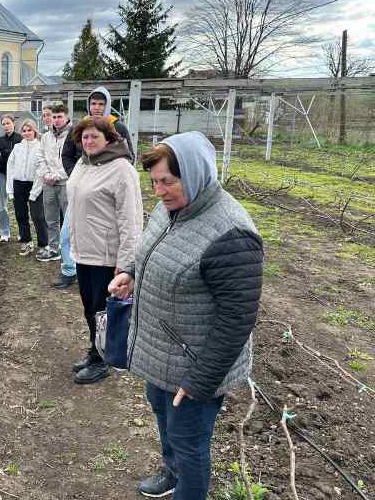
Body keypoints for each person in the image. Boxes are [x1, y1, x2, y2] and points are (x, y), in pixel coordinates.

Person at [108, 132, 263, 499]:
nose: (158, 191)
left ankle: (187, 487)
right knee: (164, 419)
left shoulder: (232, 234)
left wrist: (199, 381)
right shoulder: (171, 207)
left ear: (193, 175)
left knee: (189, 440)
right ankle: (171, 471)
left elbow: (237, 320)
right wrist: (131, 271)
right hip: (161, 350)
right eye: (154, 182)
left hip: (196, 366)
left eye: (167, 182)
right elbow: (153, 246)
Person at [66, 116, 143, 385]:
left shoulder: (121, 170)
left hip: (106, 255)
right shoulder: (82, 163)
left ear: (109, 139)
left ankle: (103, 361)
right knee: (90, 308)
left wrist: (125, 264)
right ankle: (95, 349)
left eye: (94, 137)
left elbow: (131, 220)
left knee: (103, 312)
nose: (88, 141)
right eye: (84, 137)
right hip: (84, 251)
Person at [55, 86, 135, 289]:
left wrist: (126, 263)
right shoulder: (80, 131)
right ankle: (68, 269)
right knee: (67, 234)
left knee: (101, 304)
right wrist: (78, 177)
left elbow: (129, 220)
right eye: (93, 103)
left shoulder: (118, 129)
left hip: (103, 236)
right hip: (81, 195)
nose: (97, 107)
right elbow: (66, 155)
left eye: (101, 103)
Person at [6, 119, 48, 256]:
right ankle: (26, 241)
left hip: (34, 184)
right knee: (20, 215)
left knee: (37, 216)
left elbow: (41, 170)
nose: (26, 133)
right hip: (19, 184)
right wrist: (10, 189)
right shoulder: (17, 147)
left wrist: (35, 191)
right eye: (24, 131)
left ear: (34, 131)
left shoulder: (40, 147)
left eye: (29, 130)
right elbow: (10, 167)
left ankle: (43, 244)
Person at [36, 104, 72, 262]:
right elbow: (40, 157)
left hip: (66, 183)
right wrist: (46, 174)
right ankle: (53, 248)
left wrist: (57, 175)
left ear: (66, 117)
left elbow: (74, 161)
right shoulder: (46, 137)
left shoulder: (73, 135)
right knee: (50, 218)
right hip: (48, 183)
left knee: (69, 220)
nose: (56, 120)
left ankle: (69, 252)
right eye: (54, 117)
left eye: (59, 117)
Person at [0, 115, 22, 242]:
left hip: (17, 176)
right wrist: (6, 156)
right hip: (1, 175)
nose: (6, 126)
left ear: (14, 123)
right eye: (3, 124)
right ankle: (5, 232)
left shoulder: (20, 139)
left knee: (19, 204)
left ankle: (22, 232)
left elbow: (20, 158)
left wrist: (5, 153)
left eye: (8, 123)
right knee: (2, 205)